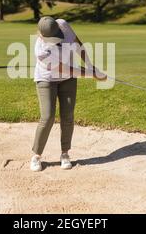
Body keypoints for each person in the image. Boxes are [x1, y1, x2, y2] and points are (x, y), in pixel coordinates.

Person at [31, 16, 107, 172]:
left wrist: (90, 66)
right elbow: (65, 69)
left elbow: (78, 45)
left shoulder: (63, 25)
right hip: (47, 79)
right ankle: (36, 155)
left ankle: (65, 153)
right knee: (47, 117)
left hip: (68, 80)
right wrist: (93, 74)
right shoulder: (41, 50)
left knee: (68, 116)